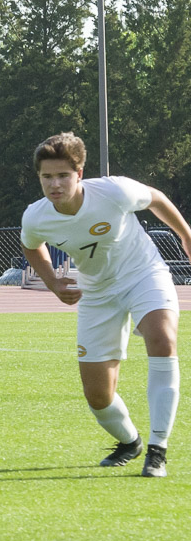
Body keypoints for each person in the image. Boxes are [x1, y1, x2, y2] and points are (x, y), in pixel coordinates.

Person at [21, 131, 191, 478]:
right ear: (38, 177)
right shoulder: (36, 216)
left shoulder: (114, 191)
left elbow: (156, 199)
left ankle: (158, 449)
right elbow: (31, 245)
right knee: (98, 395)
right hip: (96, 294)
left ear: (79, 173)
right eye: (47, 177)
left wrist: (187, 236)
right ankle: (131, 442)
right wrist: (53, 282)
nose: (55, 184)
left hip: (143, 273)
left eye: (63, 176)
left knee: (162, 339)